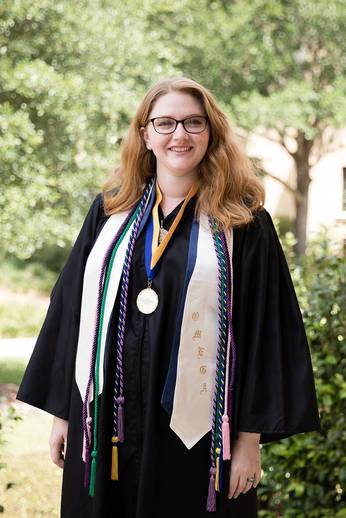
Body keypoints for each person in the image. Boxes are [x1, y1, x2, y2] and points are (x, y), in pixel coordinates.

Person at [16, 76, 321, 518]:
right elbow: (70, 315)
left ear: (211, 132)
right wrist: (66, 414)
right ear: (145, 134)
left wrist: (249, 440)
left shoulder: (244, 225)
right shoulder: (109, 214)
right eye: (165, 123)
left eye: (193, 123)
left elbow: (266, 332)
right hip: (108, 424)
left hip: (198, 435)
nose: (179, 135)